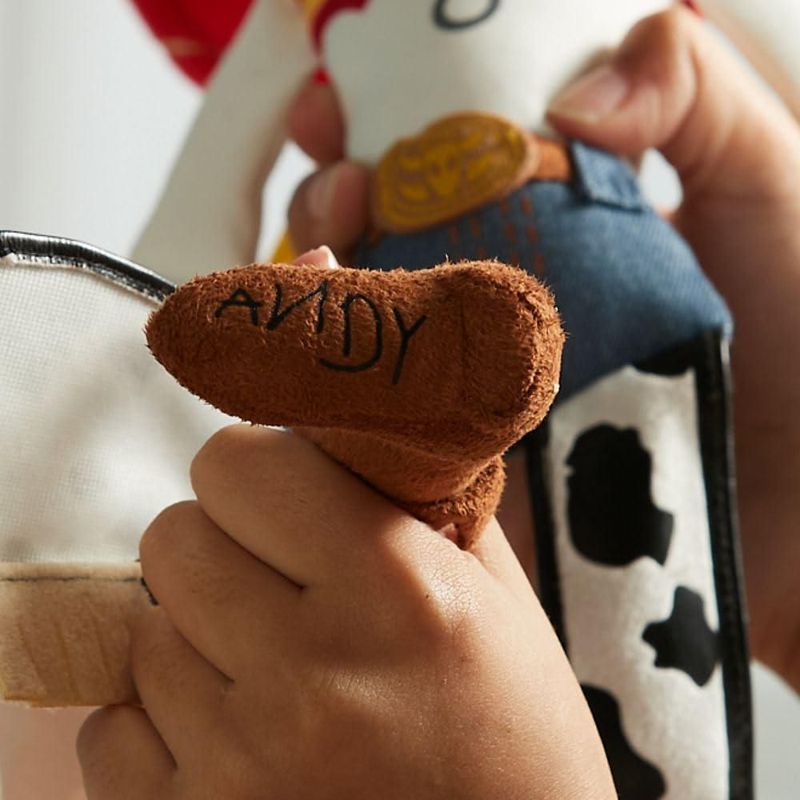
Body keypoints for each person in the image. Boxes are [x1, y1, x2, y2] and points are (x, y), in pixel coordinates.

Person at [77, 7, 800, 797]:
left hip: (546, 261)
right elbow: (233, 126)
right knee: (431, 527)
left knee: (641, 579)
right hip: (478, 274)